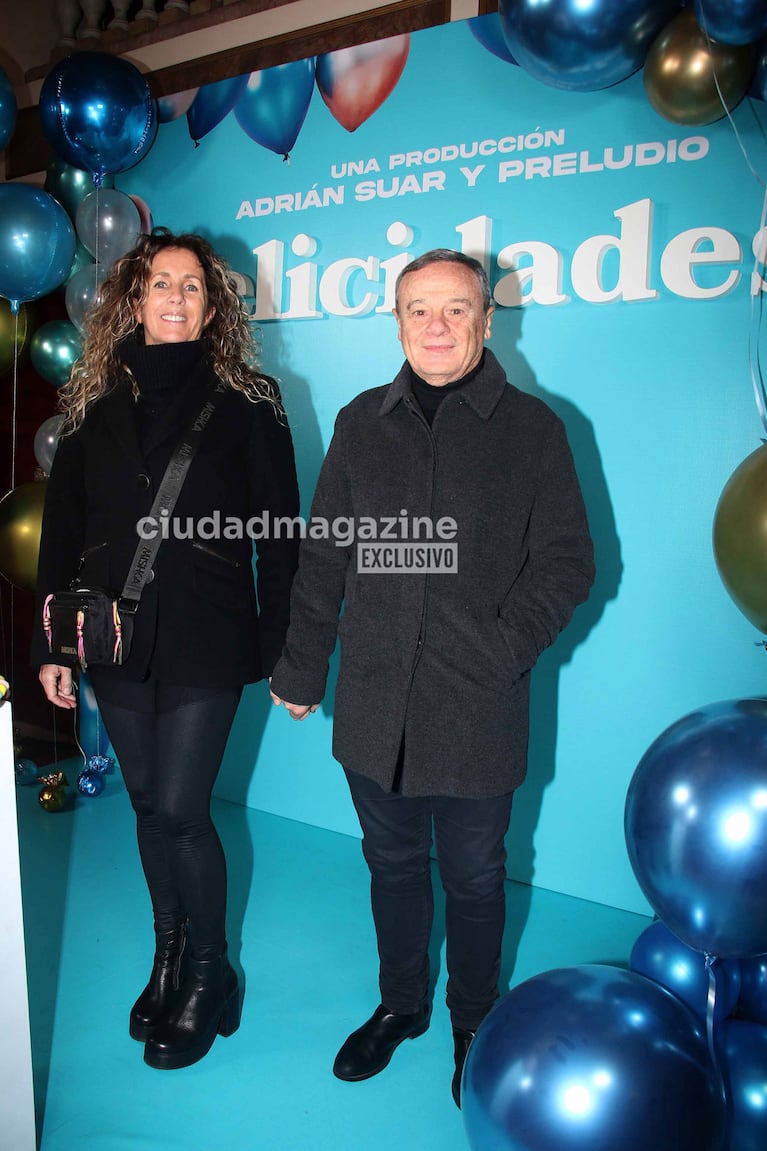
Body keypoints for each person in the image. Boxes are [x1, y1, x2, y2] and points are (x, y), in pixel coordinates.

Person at [269, 249, 594, 1107]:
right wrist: (302, 665)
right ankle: (402, 1004)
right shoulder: (358, 422)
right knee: (390, 865)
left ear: (487, 320)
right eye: (419, 309)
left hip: (479, 707)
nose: (437, 326)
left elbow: (567, 562)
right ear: (398, 320)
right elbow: (324, 556)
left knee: (477, 877)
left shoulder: (534, 430)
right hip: (374, 703)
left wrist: (500, 648)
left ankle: (474, 1020)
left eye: (456, 308)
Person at [33, 228, 300, 1071]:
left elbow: (282, 537)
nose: (175, 297)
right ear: (133, 301)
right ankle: (170, 955)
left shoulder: (250, 400)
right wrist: (56, 648)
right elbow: (61, 532)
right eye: (160, 285)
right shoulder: (92, 406)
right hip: (112, 640)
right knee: (149, 809)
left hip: (209, 634)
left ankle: (210, 974)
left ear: (211, 306)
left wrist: (281, 646)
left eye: (191, 286)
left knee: (183, 810)